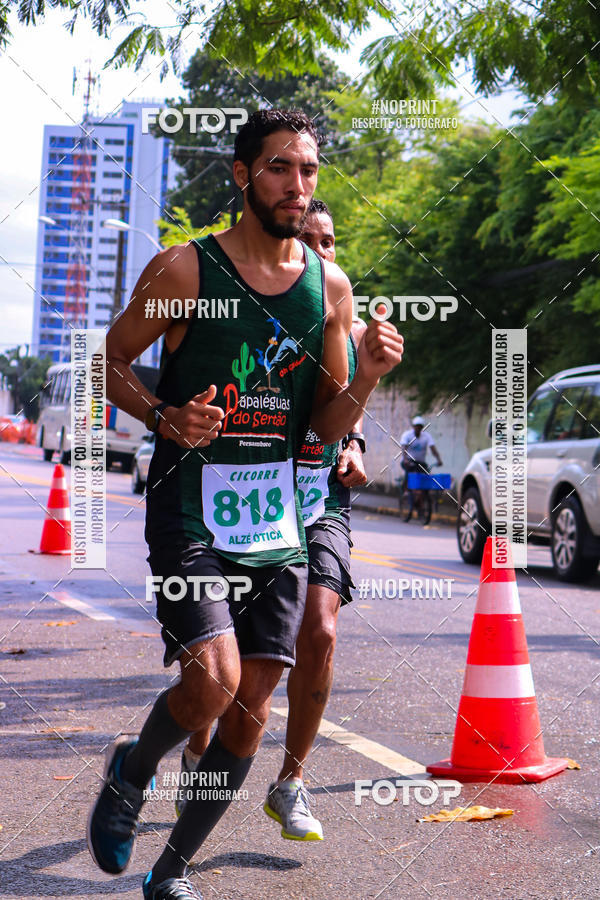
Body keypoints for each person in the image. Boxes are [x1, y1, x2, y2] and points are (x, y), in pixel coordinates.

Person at [86, 108, 404, 900]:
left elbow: (325, 427)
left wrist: (364, 375)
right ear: (242, 175)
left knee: (249, 706)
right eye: (279, 168)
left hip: (275, 517)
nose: (297, 186)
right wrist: (165, 416)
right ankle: (132, 770)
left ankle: (173, 869)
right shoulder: (185, 271)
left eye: (308, 171)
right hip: (191, 505)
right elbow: (111, 365)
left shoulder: (329, 286)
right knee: (212, 684)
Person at [175, 198, 368, 843]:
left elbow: (344, 413)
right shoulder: (250, 309)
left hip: (314, 504)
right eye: (308, 240)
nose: (319, 253)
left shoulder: (344, 316)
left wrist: (356, 447)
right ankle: (197, 752)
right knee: (216, 665)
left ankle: (290, 783)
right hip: (239, 498)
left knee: (320, 630)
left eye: (330, 241)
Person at [399, 416, 443, 521]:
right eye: (416, 426)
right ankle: (406, 491)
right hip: (409, 461)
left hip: (421, 463)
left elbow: (433, 449)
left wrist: (438, 459)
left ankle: (421, 502)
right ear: (413, 427)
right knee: (410, 474)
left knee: (425, 480)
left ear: (422, 427)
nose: (418, 428)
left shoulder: (426, 436)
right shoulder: (407, 435)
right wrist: (405, 459)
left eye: (420, 427)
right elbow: (404, 448)